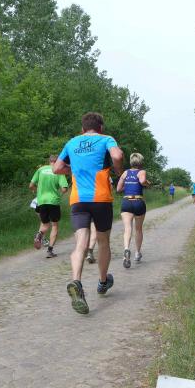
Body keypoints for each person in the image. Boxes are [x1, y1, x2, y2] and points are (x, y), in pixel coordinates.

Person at [53, 112, 123, 314]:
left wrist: (73, 169)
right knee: (103, 241)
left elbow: (57, 168)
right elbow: (117, 156)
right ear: (101, 127)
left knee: (80, 243)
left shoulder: (72, 142)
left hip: (78, 200)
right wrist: (119, 171)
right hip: (100, 199)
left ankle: (76, 281)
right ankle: (102, 281)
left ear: (82, 129)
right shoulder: (106, 139)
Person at [29, 155, 68, 258]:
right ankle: (50, 251)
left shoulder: (40, 170)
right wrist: (60, 193)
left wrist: (38, 190)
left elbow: (31, 186)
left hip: (41, 201)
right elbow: (64, 189)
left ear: (49, 161)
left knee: (45, 224)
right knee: (54, 225)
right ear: (58, 162)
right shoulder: (58, 171)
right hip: (53, 201)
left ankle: (39, 235)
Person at [117, 152, 151, 268]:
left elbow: (118, 189)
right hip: (138, 201)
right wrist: (147, 183)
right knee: (138, 229)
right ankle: (137, 253)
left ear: (131, 162)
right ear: (140, 162)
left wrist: (128, 185)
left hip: (126, 202)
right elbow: (142, 181)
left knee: (127, 228)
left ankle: (126, 249)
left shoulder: (125, 173)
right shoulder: (142, 172)